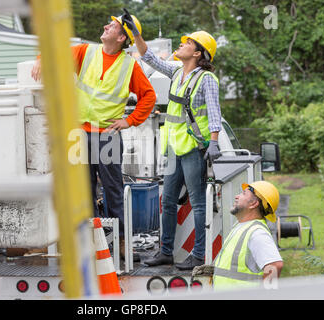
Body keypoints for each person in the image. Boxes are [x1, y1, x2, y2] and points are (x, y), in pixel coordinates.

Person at [32, 13, 156, 260]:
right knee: (83, 189)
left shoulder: (129, 65)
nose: (105, 26)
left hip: (107, 135)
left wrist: (129, 121)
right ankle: (90, 240)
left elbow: (149, 97)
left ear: (122, 37)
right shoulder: (87, 52)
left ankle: (120, 242)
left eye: (111, 26)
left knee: (113, 190)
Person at [124, 11, 222, 270]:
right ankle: (166, 251)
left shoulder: (206, 79)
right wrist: (135, 33)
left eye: (187, 42)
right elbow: (149, 57)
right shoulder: (178, 71)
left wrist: (214, 142)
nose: (181, 44)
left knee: (198, 203)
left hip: (193, 149)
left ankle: (198, 255)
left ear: (198, 53)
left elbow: (214, 112)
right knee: (167, 200)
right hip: (174, 147)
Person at [212, 181, 283, 290]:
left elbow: (275, 265)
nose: (237, 196)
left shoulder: (257, 233)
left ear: (254, 204)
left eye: (244, 193)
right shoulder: (242, 226)